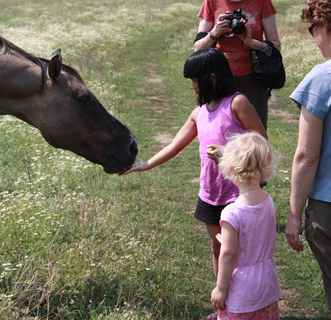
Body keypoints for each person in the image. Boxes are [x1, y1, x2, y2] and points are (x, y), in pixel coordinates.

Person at [120, 48, 266, 281]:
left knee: (238, 252)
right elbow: (174, 146)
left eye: (196, 81)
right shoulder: (199, 112)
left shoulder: (237, 104)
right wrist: (146, 165)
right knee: (217, 248)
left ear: (213, 78)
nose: (193, 86)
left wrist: (228, 152)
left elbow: (261, 141)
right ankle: (223, 310)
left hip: (239, 194)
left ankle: (243, 305)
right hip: (210, 194)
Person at [285, 0, 331, 312]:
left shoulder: (321, 78)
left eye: (312, 29)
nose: (313, 38)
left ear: (326, 26)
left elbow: (306, 156)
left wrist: (293, 214)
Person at [211, 131, 280, 319]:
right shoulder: (268, 201)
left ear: (231, 169)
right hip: (267, 283)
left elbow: (229, 253)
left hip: (243, 292)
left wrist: (220, 288)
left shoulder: (232, 213)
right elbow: (257, 233)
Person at [194, 0, 281, 130]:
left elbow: (275, 46)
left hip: (254, 79)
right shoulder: (212, 2)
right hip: (219, 79)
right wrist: (215, 33)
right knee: (218, 130)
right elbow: (198, 48)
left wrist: (251, 42)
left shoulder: (262, 2)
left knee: (255, 133)